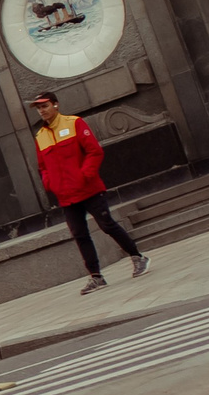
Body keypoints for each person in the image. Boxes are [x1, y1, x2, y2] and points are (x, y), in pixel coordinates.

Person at [31, 91, 149, 293]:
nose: (42, 110)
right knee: (80, 235)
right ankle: (96, 276)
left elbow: (95, 151)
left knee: (107, 225)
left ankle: (138, 256)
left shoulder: (74, 123)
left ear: (56, 105)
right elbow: (42, 167)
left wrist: (84, 175)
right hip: (66, 196)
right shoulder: (40, 136)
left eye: (45, 106)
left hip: (89, 189)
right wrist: (49, 183)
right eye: (39, 108)